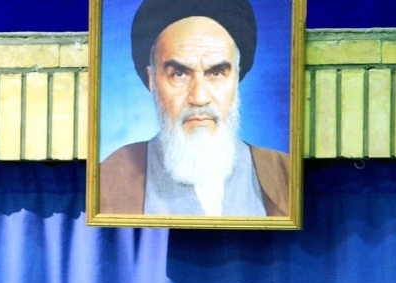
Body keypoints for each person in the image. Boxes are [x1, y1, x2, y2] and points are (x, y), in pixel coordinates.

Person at [99, 0, 290, 217]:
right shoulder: (110, 179)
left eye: (216, 73)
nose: (199, 98)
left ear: (236, 77)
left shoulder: (284, 175)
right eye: (179, 74)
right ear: (153, 79)